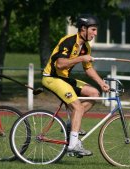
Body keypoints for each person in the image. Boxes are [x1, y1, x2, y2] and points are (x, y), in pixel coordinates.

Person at [41, 14, 110, 157]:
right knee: (77, 106)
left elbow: (88, 68)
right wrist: (81, 58)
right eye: (93, 30)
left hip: (65, 79)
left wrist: (101, 83)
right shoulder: (69, 41)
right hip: (52, 78)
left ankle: (71, 125)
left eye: (96, 30)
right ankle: (73, 145)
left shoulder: (85, 47)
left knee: (94, 94)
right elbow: (60, 64)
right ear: (83, 29)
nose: (95, 33)